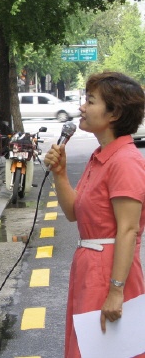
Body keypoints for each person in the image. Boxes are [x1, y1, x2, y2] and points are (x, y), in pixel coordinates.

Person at [44, 71, 145, 358]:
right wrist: (60, 175)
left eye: (90, 101)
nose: (82, 107)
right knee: (87, 349)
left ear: (114, 113)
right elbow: (76, 213)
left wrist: (116, 290)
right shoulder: (101, 156)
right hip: (90, 268)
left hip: (110, 271)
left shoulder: (125, 161)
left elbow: (128, 229)